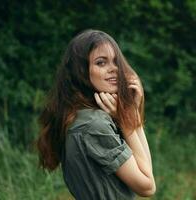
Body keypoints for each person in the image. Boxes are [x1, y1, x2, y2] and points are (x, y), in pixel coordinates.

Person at [35, 29, 156, 200]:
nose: (114, 69)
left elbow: (146, 176)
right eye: (101, 63)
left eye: (116, 62)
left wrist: (132, 113)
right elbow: (147, 186)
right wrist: (128, 123)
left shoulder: (78, 116)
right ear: (81, 71)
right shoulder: (93, 125)